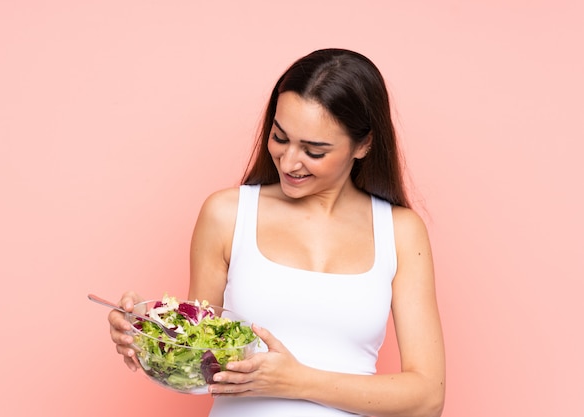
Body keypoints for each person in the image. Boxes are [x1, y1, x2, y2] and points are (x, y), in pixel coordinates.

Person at [108, 48, 445, 417]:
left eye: (314, 151)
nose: (288, 162)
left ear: (363, 144)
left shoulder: (400, 232)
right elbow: (200, 361)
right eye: (280, 138)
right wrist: (149, 335)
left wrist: (297, 381)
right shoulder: (227, 214)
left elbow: (427, 398)